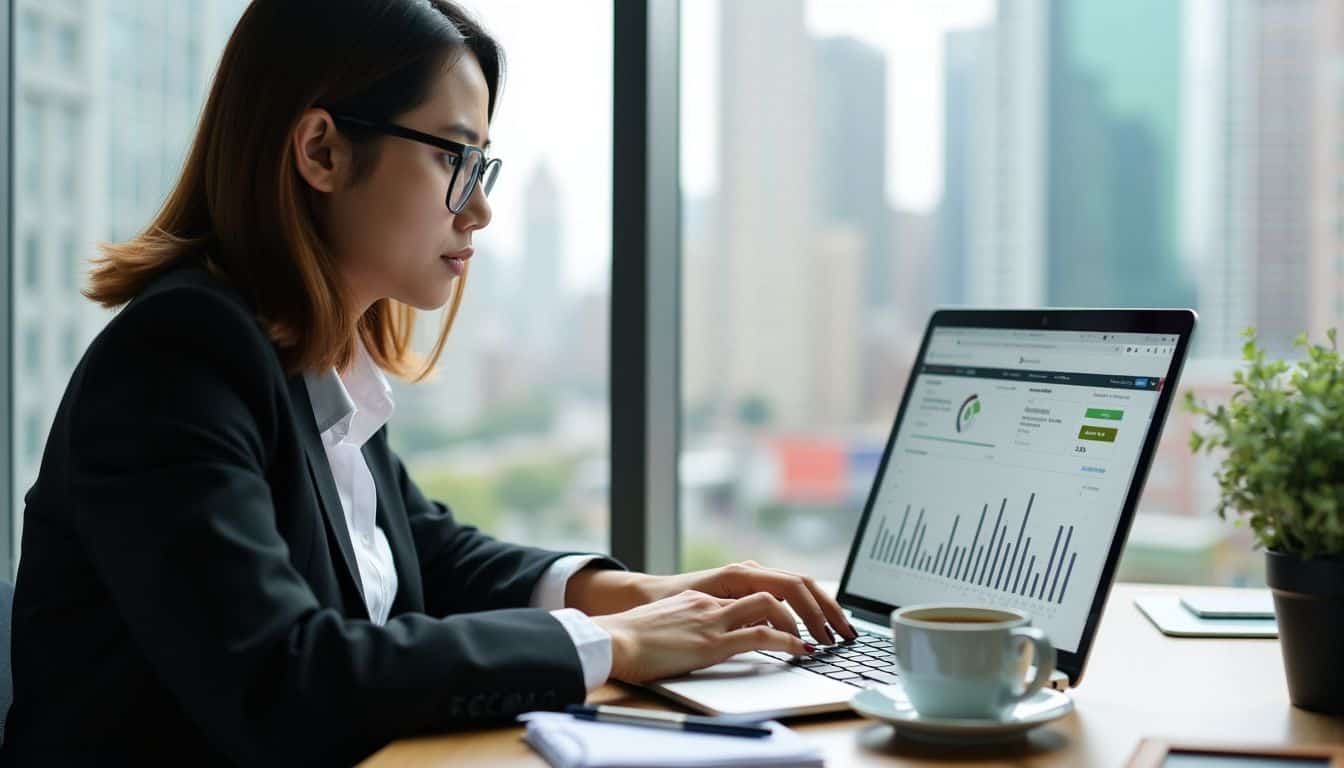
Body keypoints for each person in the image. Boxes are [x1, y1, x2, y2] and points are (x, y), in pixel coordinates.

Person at [0, 1, 855, 764]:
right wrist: (616, 641)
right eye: (457, 157)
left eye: (483, 167)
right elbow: (283, 678)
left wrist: (639, 592)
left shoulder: (311, 358)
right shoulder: (176, 360)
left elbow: (427, 550)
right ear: (323, 150)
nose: (478, 209)